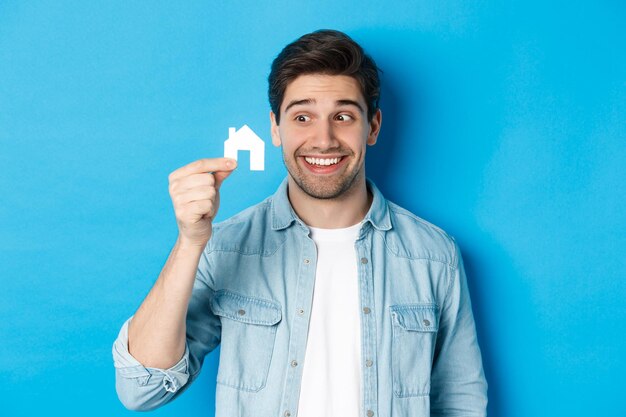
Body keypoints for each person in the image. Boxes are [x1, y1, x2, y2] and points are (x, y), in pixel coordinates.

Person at [112, 29, 487, 417]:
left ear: (372, 127)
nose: (323, 140)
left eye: (343, 116)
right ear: (276, 127)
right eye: (303, 116)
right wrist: (190, 242)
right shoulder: (225, 247)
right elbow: (142, 389)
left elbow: (460, 399)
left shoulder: (433, 256)